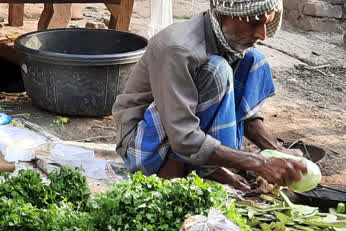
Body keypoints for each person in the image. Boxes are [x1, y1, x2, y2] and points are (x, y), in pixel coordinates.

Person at [112, 0, 306, 191]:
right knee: (216, 70)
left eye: (266, 23)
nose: (262, 35)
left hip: (183, 138)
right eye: (255, 23)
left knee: (253, 60)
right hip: (145, 147)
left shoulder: (227, 39)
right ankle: (174, 173)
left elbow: (243, 112)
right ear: (226, 14)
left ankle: (208, 168)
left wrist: (277, 152)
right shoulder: (179, 49)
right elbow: (183, 137)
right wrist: (259, 163)